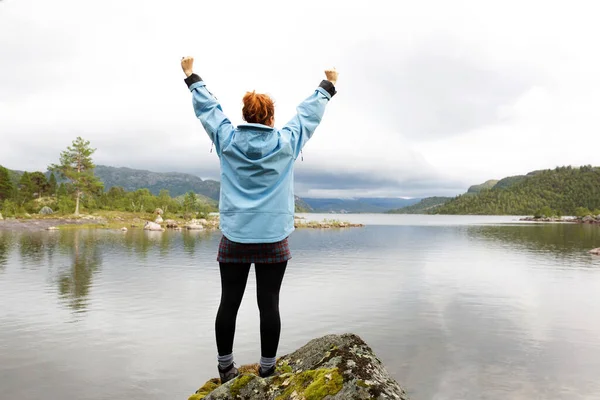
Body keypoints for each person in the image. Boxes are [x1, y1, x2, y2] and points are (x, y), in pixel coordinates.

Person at [181, 56, 338, 383]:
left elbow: (209, 111)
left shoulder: (228, 139)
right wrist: (327, 85)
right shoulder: (286, 142)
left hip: (235, 236)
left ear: (245, 115)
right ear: (271, 117)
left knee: (229, 304)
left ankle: (226, 369)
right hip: (272, 238)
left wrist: (191, 76)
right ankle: (268, 368)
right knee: (269, 304)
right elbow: (308, 114)